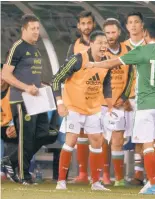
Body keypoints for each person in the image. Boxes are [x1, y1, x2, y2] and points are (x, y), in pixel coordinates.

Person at [86, 18, 155, 195]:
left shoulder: (141, 51)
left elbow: (112, 63)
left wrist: (94, 64)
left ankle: (152, 183)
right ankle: (151, 182)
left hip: (146, 104)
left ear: (145, 33)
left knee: (147, 144)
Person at [52, 31, 111, 191]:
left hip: (93, 108)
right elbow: (56, 79)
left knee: (97, 140)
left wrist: (110, 104)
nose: (103, 46)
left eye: (105, 42)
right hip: (73, 107)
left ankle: (96, 183)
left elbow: (106, 83)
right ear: (91, 44)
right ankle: (61, 181)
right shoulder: (78, 59)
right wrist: (60, 103)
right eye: (99, 42)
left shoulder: (107, 61)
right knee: (71, 140)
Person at [1, 14, 51, 185]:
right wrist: (26, 88)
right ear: (24, 29)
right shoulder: (18, 47)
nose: (36, 32)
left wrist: (43, 86)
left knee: (46, 133)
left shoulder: (36, 48)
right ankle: (24, 176)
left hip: (38, 98)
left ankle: (12, 160)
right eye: (33, 29)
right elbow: (5, 74)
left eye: (38, 28)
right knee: (26, 137)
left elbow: (32, 76)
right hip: (21, 99)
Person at [65, 10, 96, 185]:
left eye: (89, 23)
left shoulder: (100, 43)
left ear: (93, 24)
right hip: (78, 97)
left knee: (99, 136)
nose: (86, 27)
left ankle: (102, 174)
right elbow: (66, 72)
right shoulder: (73, 46)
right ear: (79, 26)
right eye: (83, 23)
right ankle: (83, 173)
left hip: (96, 95)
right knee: (80, 134)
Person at [102, 18, 133, 187]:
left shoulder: (128, 50)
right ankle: (105, 175)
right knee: (101, 141)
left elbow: (131, 76)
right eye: (107, 33)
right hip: (102, 103)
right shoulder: (100, 51)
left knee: (117, 140)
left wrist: (125, 96)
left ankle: (119, 179)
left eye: (113, 32)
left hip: (119, 102)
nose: (110, 36)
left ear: (119, 32)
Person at [123, 12, 146, 186]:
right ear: (126, 26)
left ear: (142, 25)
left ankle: (147, 173)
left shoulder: (151, 45)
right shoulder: (123, 47)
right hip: (128, 98)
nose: (133, 25)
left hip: (147, 96)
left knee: (148, 136)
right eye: (130, 22)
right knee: (130, 136)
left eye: (136, 22)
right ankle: (134, 173)